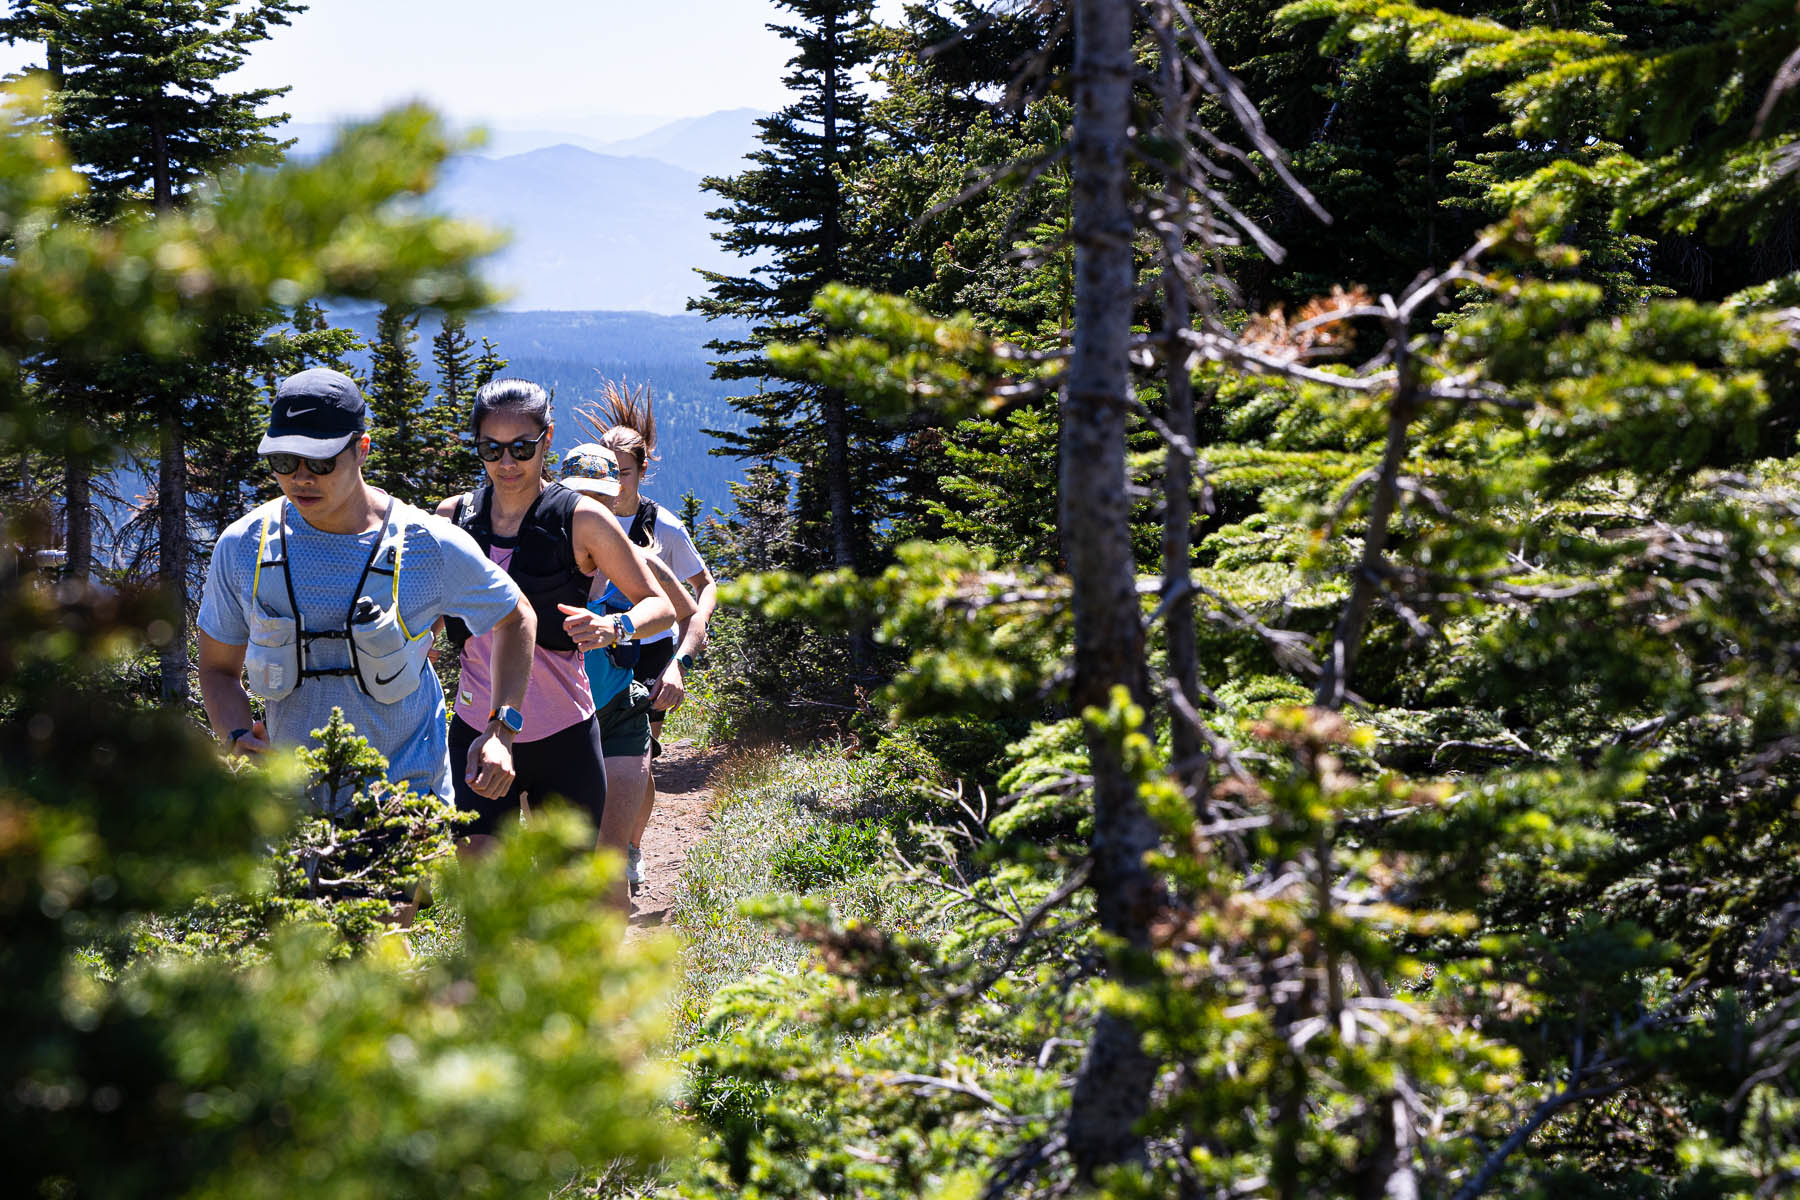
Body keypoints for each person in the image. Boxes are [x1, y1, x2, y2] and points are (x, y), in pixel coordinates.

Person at [197, 366, 536, 817]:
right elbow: (219, 670)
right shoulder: (243, 547)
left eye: (320, 462)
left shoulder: (428, 544)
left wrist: (500, 729)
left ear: (362, 449)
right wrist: (238, 737)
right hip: (292, 810)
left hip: (407, 801)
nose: (300, 477)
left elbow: (516, 616)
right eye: (284, 461)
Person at [435, 379, 673, 903]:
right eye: (491, 448)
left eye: (522, 447)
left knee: (572, 900)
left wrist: (616, 627)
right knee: (483, 898)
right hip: (476, 730)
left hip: (564, 732)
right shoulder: (454, 520)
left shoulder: (582, 519)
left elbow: (659, 606)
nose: (507, 462)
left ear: (547, 440)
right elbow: (425, 611)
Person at [576, 380, 719, 892]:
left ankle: (629, 848)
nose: (616, 482)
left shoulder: (664, 527)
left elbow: (703, 590)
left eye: (626, 472)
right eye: (609, 471)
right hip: (589, 649)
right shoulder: (574, 515)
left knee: (641, 755)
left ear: (642, 470)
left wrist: (684, 653)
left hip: (650, 653)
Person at [557, 442, 698, 896]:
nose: (590, 507)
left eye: (599, 498)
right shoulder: (539, 562)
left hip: (618, 712)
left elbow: (690, 613)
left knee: (608, 859)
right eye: (579, 497)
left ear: (613, 499)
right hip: (554, 722)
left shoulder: (639, 561)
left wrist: (679, 666)